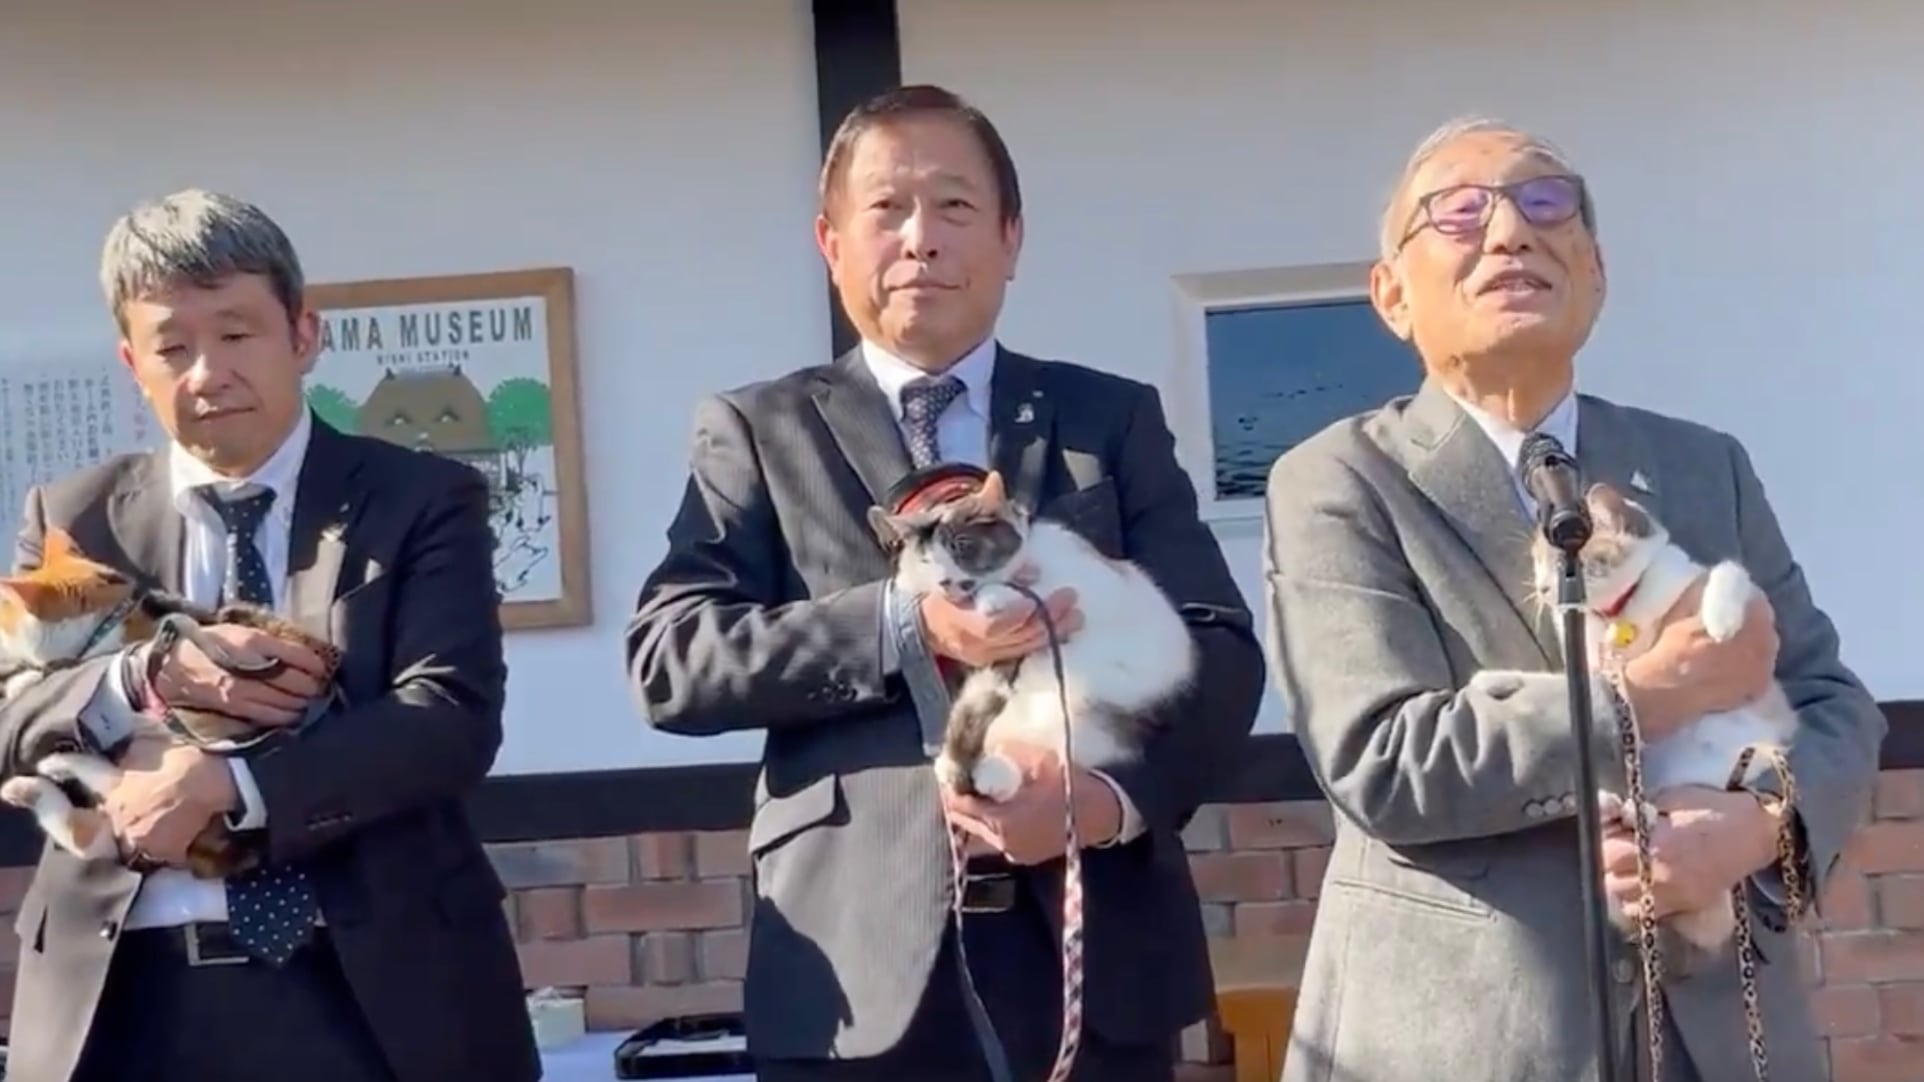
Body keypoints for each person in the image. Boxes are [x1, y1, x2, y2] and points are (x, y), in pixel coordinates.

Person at [626, 84, 1263, 1082]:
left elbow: (1219, 649)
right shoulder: (758, 429)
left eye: (955, 207)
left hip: (1088, 958)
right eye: (885, 208)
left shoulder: (1109, 420)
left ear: (1011, 238)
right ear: (829, 242)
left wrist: (1103, 800)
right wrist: (900, 626)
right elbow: (672, 658)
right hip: (852, 964)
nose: (920, 238)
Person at [1262, 116, 1885, 1081]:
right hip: (1461, 1035)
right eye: (1458, 212)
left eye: (1545, 202)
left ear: (1594, 269)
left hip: (1718, 1034)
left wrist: (1755, 826)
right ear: (1391, 296)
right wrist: (1649, 696)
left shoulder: (1701, 465)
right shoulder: (1336, 480)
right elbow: (1382, 759)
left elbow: (1829, 702)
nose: (1510, 232)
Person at [0, 190, 539, 1082]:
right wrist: (137, 680)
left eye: (237, 333)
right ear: (133, 364)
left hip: (370, 986)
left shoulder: (418, 500)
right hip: (127, 992)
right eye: (173, 346)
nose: (207, 372)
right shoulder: (76, 520)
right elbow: (10, 711)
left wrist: (228, 783)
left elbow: (448, 717)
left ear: (302, 334)